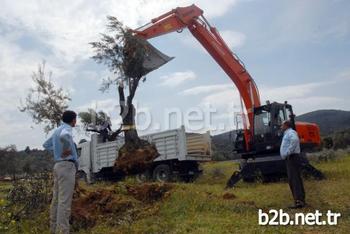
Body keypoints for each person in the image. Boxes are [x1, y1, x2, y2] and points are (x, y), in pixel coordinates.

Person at [43, 110, 78, 233]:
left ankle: (53, 229)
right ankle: (63, 231)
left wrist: (58, 151)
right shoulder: (66, 130)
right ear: (73, 120)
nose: (76, 121)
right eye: (75, 119)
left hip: (57, 166)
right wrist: (65, 148)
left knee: (56, 199)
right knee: (64, 202)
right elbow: (64, 136)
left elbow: (46, 145)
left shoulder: (56, 131)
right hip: (67, 166)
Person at [280, 120, 305, 209]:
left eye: (282, 125)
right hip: (291, 158)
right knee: (294, 179)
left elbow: (294, 140)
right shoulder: (288, 133)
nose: (280, 126)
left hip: (292, 158)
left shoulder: (290, 132)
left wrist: (288, 152)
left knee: (294, 179)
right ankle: (300, 200)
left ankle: (299, 202)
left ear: (286, 125)